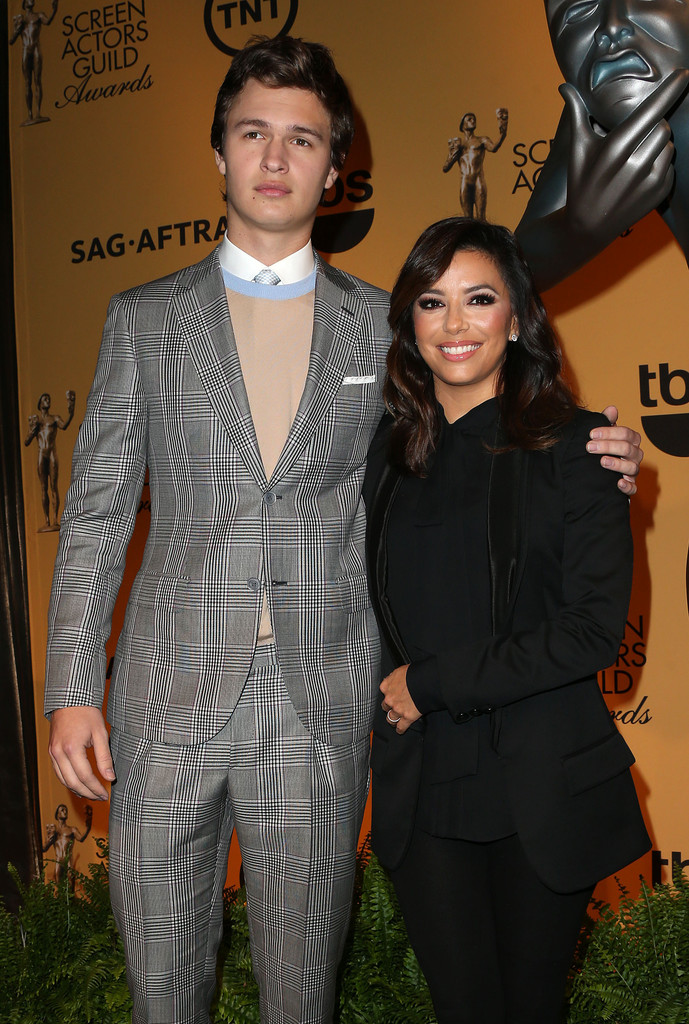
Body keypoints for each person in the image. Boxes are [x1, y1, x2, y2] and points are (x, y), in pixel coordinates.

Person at [44, 34, 643, 1024]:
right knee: (161, 994)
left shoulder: (389, 325)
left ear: (334, 168)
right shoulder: (141, 319)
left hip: (319, 709)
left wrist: (595, 446)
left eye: (303, 140)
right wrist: (72, 686)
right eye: (253, 134)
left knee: (300, 1000)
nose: (276, 159)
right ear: (219, 153)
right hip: (163, 707)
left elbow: (488, 425)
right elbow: (101, 505)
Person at [364, 217, 650, 1024]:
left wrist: (431, 681)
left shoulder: (581, 449)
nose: (454, 325)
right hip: (424, 789)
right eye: (431, 302)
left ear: (517, 318)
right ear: (409, 325)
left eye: (478, 299)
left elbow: (594, 629)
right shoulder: (386, 459)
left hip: (539, 782)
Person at [516, 0, 689, 290]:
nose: (611, 27)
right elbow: (512, 272)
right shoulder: (599, 107)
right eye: (579, 10)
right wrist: (574, 231)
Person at [443, 110, 509, 220]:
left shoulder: (482, 140)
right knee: (467, 220)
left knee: (481, 218)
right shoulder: (459, 144)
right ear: (463, 125)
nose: (473, 121)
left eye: (474, 119)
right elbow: (446, 168)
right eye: (469, 119)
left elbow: (493, 148)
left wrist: (503, 134)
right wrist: (452, 153)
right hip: (465, 181)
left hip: (478, 180)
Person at [25, 390, 75, 531]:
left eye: (49, 398)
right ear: (40, 403)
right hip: (41, 454)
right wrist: (31, 430)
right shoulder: (36, 421)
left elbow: (64, 425)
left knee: (54, 486)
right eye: (45, 398)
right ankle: (46, 520)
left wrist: (71, 410)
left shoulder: (54, 418)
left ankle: (54, 519)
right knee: (43, 488)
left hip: (52, 453)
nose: (48, 400)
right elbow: (27, 441)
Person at [10, 0, 59, 126]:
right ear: (24, 3)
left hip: (36, 48)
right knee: (27, 82)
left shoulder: (39, 15)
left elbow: (48, 22)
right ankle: (30, 114)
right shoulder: (19, 19)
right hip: (26, 49)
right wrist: (17, 30)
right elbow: (11, 41)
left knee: (37, 80)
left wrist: (54, 10)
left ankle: (38, 112)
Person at [42, 802, 92, 884]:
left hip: (68, 859)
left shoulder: (72, 829)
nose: (65, 812)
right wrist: (48, 839)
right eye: (62, 810)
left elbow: (81, 838)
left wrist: (89, 824)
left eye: (66, 810)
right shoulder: (54, 831)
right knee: (59, 886)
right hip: (58, 860)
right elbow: (44, 848)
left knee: (71, 883)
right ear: (57, 815)